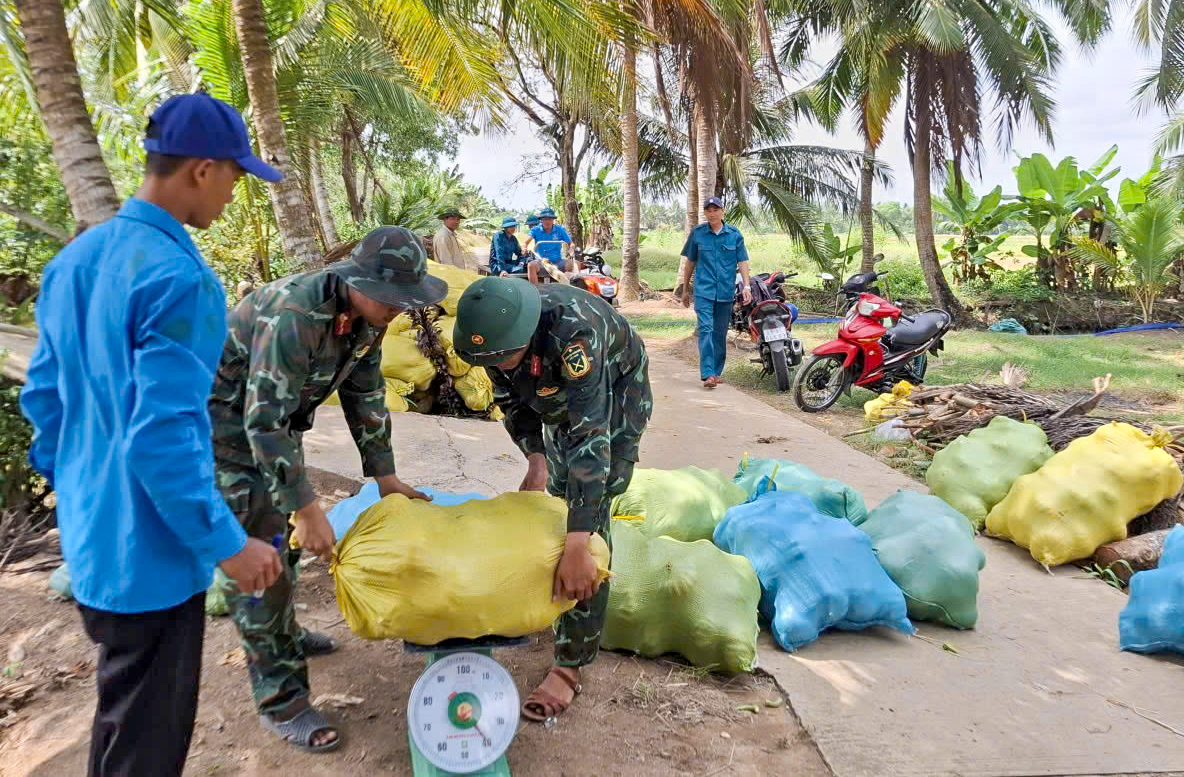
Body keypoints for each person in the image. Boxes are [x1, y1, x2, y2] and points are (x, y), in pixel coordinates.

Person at [20, 92, 285, 777]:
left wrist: (83, 491)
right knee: (148, 747)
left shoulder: (75, 262)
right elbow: (162, 438)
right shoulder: (182, 280)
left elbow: (44, 402)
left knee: (122, 716)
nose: (233, 194)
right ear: (202, 169)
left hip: (91, 543)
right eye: (234, 176)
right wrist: (230, 544)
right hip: (152, 563)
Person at [209, 225, 439, 753]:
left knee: (281, 541)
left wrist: (386, 477)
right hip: (225, 431)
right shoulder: (295, 316)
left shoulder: (367, 314)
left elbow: (367, 393)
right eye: (391, 297)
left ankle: (283, 633)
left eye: (407, 299)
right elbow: (261, 422)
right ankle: (282, 700)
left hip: (271, 428)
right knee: (263, 553)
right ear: (359, 280)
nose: (399, 309)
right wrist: (306, 508)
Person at [453, 277, 652, 723]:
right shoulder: (494, 343)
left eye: (506, 359)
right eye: (493, 362)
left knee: (589, 513)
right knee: (558, 495)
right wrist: (535, 459)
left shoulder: (573, 335)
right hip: (559, 399)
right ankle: (564, 592)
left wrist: (578, 542)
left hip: (615, 393)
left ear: (526, 336)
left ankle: (572, 661)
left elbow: (591, 439)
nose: (500, 367)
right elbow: (514, 403)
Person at [679, 196, 752, 389]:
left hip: (725, 293)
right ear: (705, 212)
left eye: (715, 210)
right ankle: (708, 373)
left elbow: (743, 261)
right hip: (703, 291)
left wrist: (747, 286)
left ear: (722, 211)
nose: (712, 214)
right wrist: (685, 289)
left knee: (719, 333)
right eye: (708, 210)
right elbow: (690, 263)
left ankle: (716, 372)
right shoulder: (698, 234)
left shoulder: (734, 235)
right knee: (706, 329)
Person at [527, 207, 574, 284]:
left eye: (550, 219)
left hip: (558, 261)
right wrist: (524, 247)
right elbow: (526, 242)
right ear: (541, 220)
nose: (547, 221)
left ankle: (567, 287)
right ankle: (536, 291)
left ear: (553, 220)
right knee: (531, 265)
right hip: (541, 262)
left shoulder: (559, 230)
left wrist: (571, 248)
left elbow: (570, 243)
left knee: (574, 264)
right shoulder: (535, 230)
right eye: (545, 219)